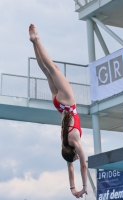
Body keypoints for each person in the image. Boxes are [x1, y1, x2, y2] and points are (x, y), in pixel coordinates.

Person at [29, 24, 87, 198]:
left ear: (75, 151)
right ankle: (33, 43)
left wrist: (83, 187)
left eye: (76, 156)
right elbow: (69, 165)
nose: (77, 157)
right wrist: (72, 189)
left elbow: (82, 166)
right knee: (48, 73)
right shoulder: (63, 142)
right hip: (58, 105)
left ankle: (36, 39)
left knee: (53, 69)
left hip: (68, 103)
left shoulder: (74, 141)